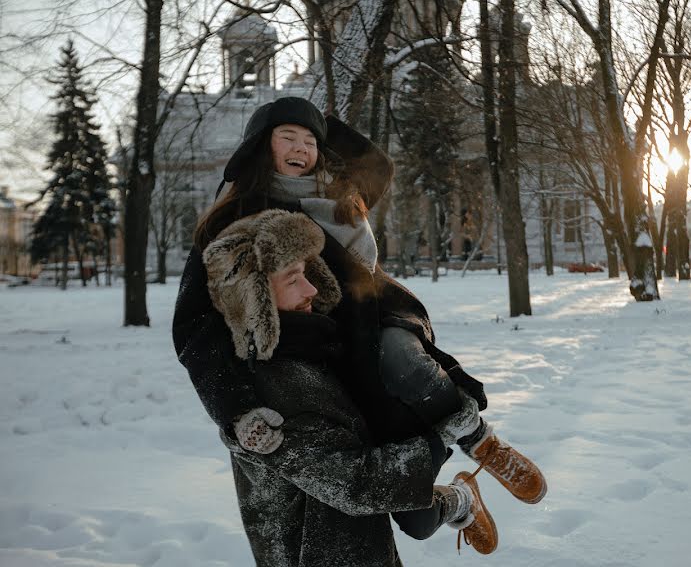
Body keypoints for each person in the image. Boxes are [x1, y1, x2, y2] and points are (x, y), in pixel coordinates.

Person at [173, 97, 544, 550]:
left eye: (310, 141)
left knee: (402, 358)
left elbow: (380, 168)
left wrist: (322, 121)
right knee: (415, 518)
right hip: (326, 360)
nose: (300, 148)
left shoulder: (335, 194)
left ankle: (482, 442)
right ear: (257, 147)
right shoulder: (234, 217)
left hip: (379, 319)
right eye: (287, 137)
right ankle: (462, 500)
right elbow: (194, 326)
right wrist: (235, 407)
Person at [201, 208, 496, 564]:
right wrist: (441, 437)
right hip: (319, 556)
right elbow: (355, 485)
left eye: (308, 274)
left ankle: (459, 502)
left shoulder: (316, 348)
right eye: (293, 279)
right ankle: (460, 500)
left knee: (417, 516)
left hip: (357, 545)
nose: (310, 289)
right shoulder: (271, 394)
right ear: (254, 298)